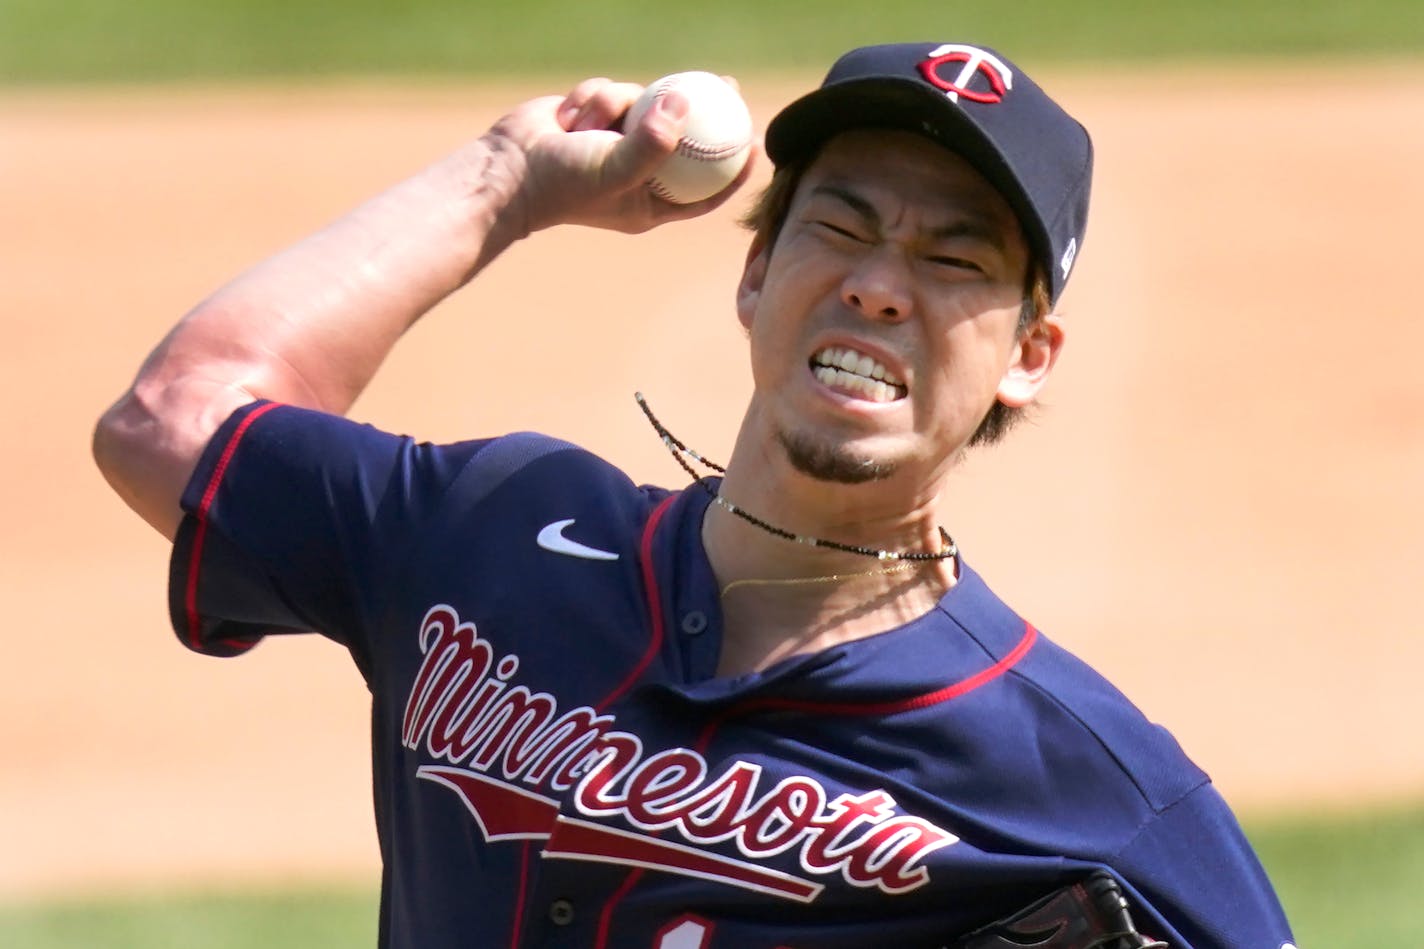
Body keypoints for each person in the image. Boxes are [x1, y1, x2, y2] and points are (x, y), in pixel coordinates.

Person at [93, 40, 1297, 949]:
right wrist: (507, 181)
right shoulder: (495, 529)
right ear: (758, 270)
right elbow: (173, 419)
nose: (880, 287)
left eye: (952, 258)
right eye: (841, 227)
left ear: (1027, 355)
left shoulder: (1090, 783)